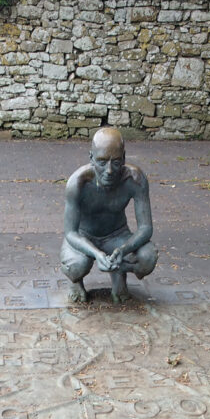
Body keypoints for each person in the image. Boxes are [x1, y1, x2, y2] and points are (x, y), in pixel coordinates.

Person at [61, 127, 157, 303]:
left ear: (124, 158)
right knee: (76, 266)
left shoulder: (135, 179)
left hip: (117, 236)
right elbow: (70, 233)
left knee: (147, 257)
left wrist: (123, 249)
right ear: (91, 158)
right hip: (84, 236)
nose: (109, 170)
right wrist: (96, 253)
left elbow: (146, 228)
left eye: (116, 162)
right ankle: (76, 281)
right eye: (102, 162)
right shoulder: (77, 183)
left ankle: (118, 273)